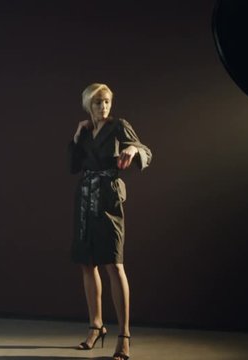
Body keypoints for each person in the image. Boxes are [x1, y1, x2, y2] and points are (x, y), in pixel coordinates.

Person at [68, 83, 152, 360]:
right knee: (87, 264)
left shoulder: (119, 126)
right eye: (97, 103)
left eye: (106, 102)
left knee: (114, 265)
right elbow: (73, 166)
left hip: (108, 201)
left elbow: (145, 150)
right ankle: (96, 326)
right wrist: (77, 136)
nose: (103, 107)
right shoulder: (86, 130)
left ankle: (124, 335)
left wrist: (133, 152)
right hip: (84, 200)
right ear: (88, 105)